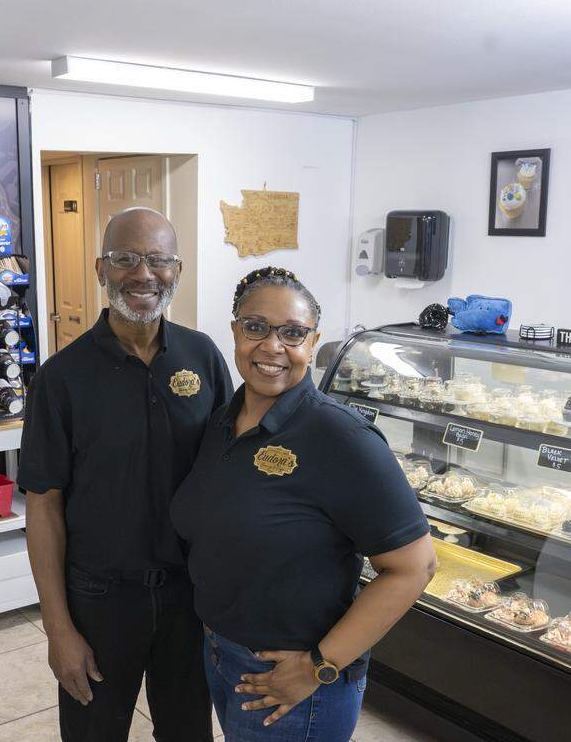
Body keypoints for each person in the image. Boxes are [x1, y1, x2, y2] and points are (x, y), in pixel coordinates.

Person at [171, 266, 436, 741]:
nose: (272, 347)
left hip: (294, 680)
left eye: (293, 333)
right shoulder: (219, 425)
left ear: (313, 343)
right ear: (235, 331)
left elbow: (414, 566)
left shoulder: (341, 436)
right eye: (255, 328)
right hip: (221, 653)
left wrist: (319, 667)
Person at [19, 207, 232, 741]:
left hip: (189, 600)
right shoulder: (61, 379)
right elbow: (43, 506)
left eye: (158, 260)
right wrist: (58, 628)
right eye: (125, 259)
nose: (143, 274)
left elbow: (229, 477)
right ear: (101, 269)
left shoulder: (203, 357)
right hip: (99, 602)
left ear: (177, 271)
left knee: (189, 734)